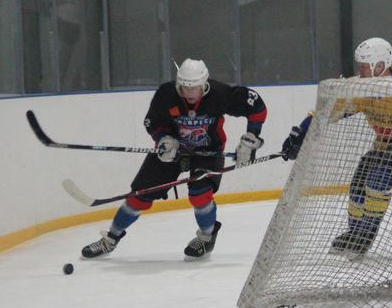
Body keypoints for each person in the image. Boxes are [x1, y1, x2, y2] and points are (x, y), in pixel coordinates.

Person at [81, 58, 267, 261]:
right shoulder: (166, 93)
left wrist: (250, 139)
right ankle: (110, 239)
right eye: (184, 87)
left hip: (207, 151)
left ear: (204, 84)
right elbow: (152, 122)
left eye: (193, 88)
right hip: (173, 151)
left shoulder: (219, 94)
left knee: (200, 195)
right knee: (139, 195)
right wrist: (163, 139)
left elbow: (257, 107)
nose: (188, 93)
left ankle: (206, 238)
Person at [280, 37, 392, 255]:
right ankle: (355, 233)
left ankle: (365, 236)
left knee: (377, 184)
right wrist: (301, 133)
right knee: (357, 187)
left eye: (365, 66)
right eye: (360, 66)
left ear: (381, 64)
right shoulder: (360, 86)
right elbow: (327, 111)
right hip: (382, 144)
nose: (360, 70)